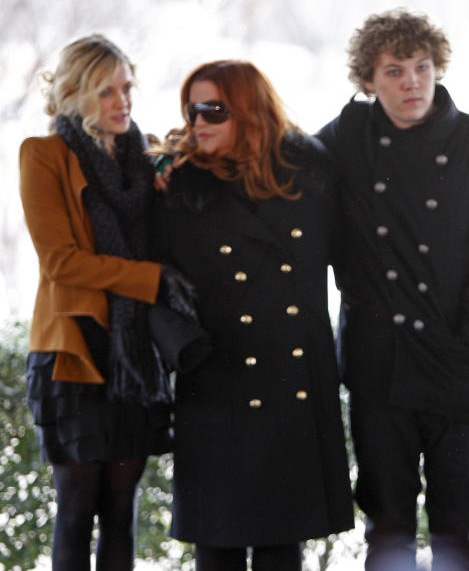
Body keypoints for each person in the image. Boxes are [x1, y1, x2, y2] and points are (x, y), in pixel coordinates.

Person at [317, 8, 469, 571]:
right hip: (377, 365)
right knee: (387, 531)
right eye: (393, 71)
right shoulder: (343, 143)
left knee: (459, 531)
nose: (411, 82)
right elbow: (281, 181)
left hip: (460, 361)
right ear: (367, 80)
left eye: (421, 67)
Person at [152, 60, 353, 571]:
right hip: (214, 378)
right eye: (192, 109)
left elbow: (357, 262)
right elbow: (146, 278)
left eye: (213, 109)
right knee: (216, 548)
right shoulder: (176, 185)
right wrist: (181, 346)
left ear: (248, 110)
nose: (198, 121)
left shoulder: (311, 174)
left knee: (280, 548)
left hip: (292, 381)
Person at [18, 34, 180, 571]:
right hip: (77, 351)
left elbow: (172, 240)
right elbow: (61, 262)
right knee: (76, 507)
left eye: (126, 88)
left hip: (135, 353)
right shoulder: (43, 155)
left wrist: (172, 188)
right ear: (75, 93)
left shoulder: (146, 159)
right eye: (106, 91)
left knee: (121, 507)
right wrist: (148, 279)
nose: (122, 102)